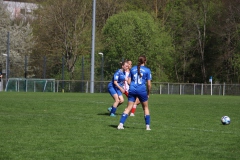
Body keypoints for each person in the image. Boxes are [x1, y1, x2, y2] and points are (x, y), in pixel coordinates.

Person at [117, 55, 152, 130]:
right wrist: (148, 93)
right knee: (145, 108)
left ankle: (120, 124)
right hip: (142, 90)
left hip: (132, 89)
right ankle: (147, 127)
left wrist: (133, 86)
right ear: (145, 61)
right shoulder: (147, 70)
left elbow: (129, 82)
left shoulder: (132, 69)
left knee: (128, 108)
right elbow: (149, 85)